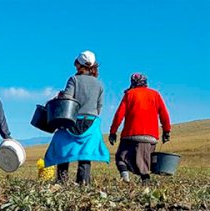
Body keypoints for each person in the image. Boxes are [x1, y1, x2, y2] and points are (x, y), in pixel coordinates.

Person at [44, 50, 110, 185]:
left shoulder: (74, 79)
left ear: (79, 65)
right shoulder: (100, 84)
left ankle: (62, 181)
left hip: (72, 121)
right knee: (85, 155)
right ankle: (83, 183)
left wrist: (60, 96)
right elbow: (99, 107)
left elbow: (67, 99)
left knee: (63, 148)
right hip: (91, 123)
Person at [109, 73, 171, 182]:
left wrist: (113, 132)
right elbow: (164, 114)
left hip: (130, 135)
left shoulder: (129, 94)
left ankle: (125, 179)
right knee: (144, 165)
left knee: (121, 158)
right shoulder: (155, 94)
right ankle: (145, 182)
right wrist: (166, 131)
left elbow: (119, 114)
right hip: (150, 137)